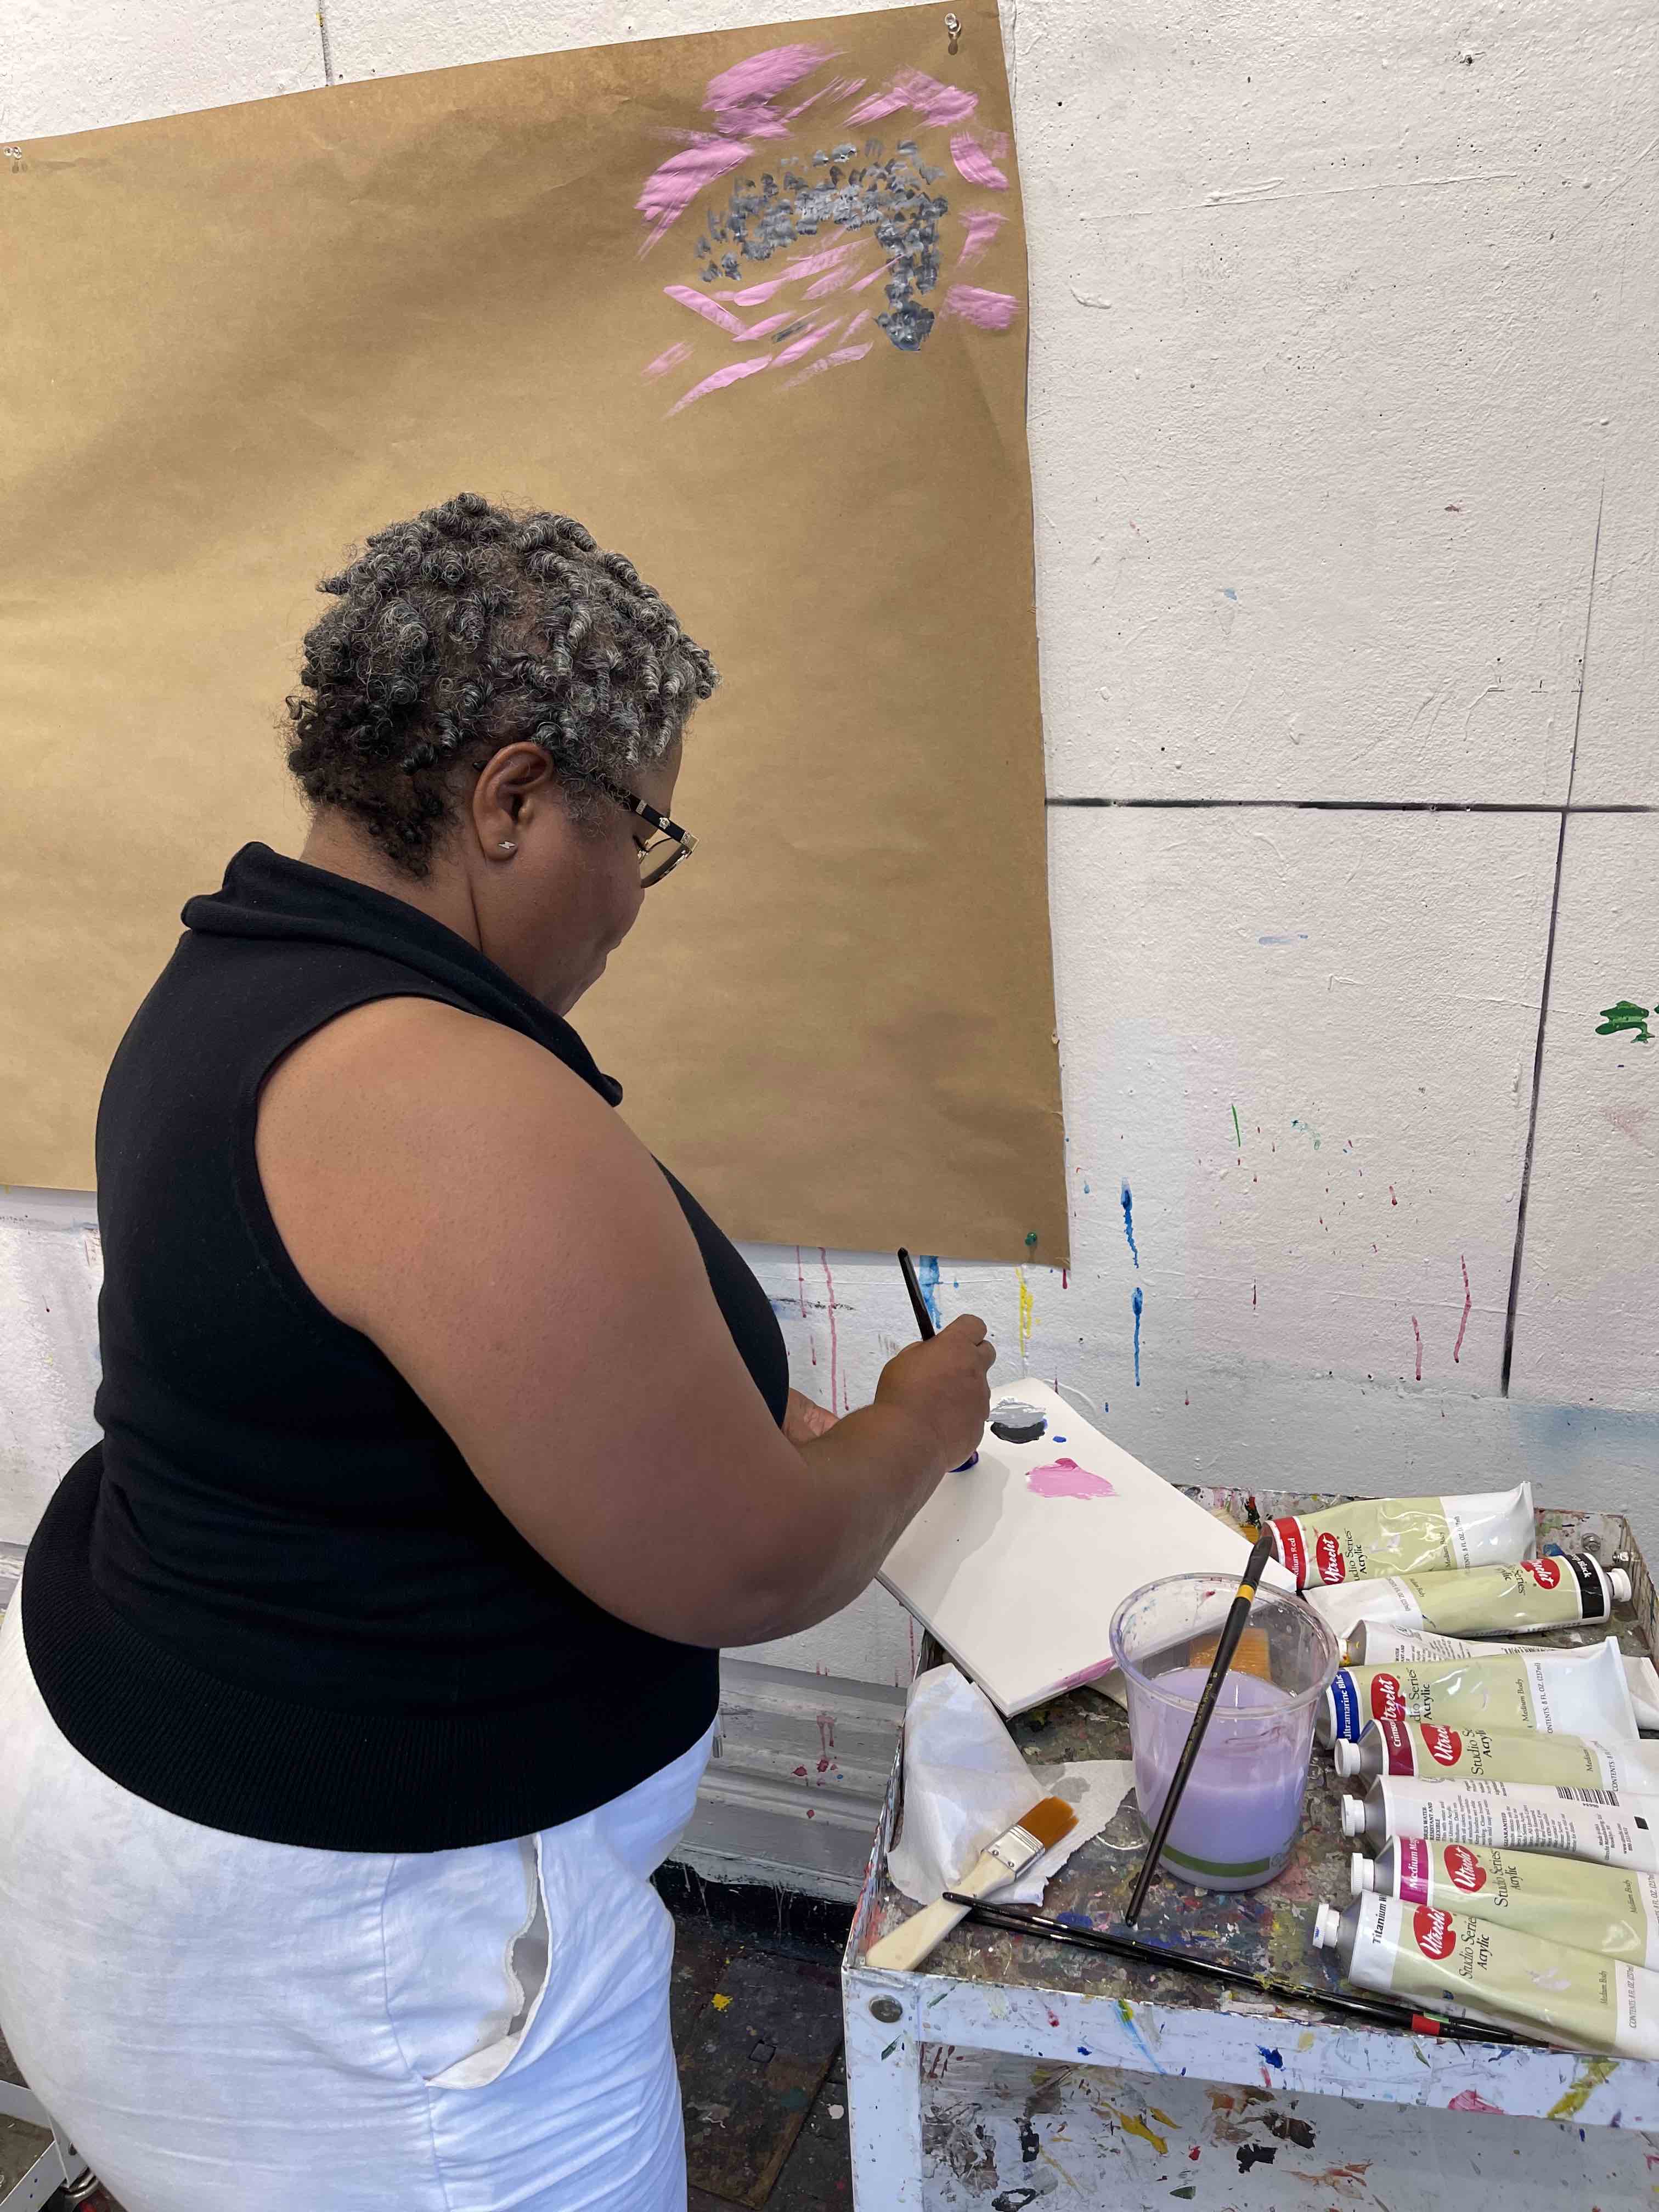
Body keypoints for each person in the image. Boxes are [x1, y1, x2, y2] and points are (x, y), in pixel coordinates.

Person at [0, 493, 992, 2210]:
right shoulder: (435, 1096)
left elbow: (425, 1391)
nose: (634, 902)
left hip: (188, 1826)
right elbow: (751, 1566)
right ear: (515, 798)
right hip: (375, 1979)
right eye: (646, 839)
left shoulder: (234, 980)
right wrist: (915, 1421)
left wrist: (746, 1412)